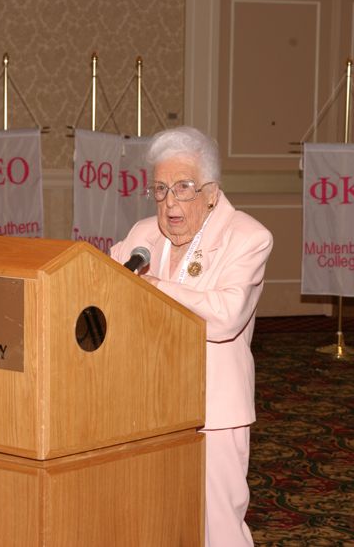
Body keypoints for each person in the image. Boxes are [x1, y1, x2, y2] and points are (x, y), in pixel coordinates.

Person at [110, 126, 273, 546]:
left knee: (217, 527)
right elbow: (102, 286)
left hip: (213, 411)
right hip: (148, 405)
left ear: (212, 192)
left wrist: (152, 289)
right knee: (155, 518)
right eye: (161, 189)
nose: (170, 202)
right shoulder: (142, 236)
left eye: (184, 187)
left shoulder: (248, 237)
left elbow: (224, 317)